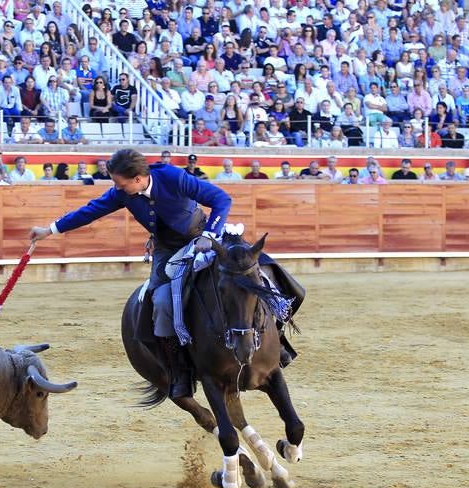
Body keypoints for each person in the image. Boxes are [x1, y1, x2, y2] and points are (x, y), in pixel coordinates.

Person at [29, 149, 304, 397]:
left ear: (137, 178)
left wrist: (210, 235)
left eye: (119, 182)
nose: (116, 187)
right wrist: (50, 230)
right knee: (159, 303)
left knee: (268, 275)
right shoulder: (122, 193)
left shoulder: (171, 176)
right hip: (167, 250)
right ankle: (180, 370)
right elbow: (90, 211)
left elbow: (220, 198)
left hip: (206, 235)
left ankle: (276, 342)